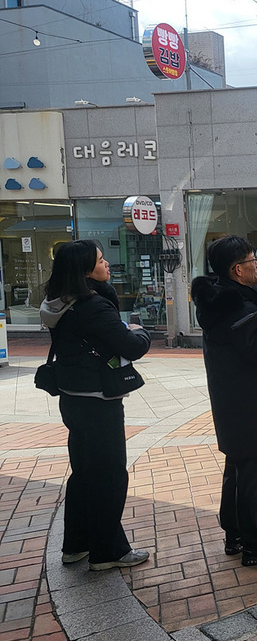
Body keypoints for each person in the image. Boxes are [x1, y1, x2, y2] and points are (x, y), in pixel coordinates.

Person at [39, 240, 152, 570]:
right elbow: (131, 346)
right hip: (99, 400)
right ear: (85, 270)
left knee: (84, 473)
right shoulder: (92, 306)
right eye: (101, 261)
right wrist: (140, 331)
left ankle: (76, 545)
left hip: (72, 397)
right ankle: (108, 551)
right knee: (109, 476)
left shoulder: (60, 302)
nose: (107, 265)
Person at [190, 235, 257, 567]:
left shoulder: (221, 302)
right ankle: (256, 543)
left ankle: (235, 534)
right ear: (237, 269)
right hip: (252, 402)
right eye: (253, 261)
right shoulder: (237, 309)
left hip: (234, 401)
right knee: (253, 474)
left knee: (237, 469)